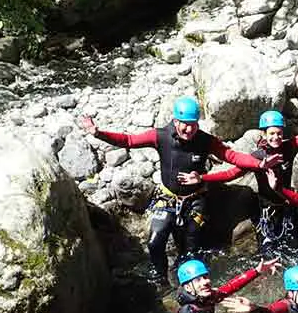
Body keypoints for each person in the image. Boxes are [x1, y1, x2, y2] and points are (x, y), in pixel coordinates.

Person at [80, 97, 282, 284]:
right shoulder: (160, 136)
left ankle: (190, 280)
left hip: (196, 198)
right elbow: (129, 141)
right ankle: (161, 279)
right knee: (154, 241)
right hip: (168, 197)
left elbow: (231, 156)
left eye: (194, 124)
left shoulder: (205, 140)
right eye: (185, 124)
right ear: (175, 121)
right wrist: (98, 133)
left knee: (192, 246)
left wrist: (260, 163)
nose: (189, 129)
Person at [206, 70, 298, 254]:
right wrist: (203, 178)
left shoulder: (289, 146)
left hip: (288, 202)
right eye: (272, 133)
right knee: (269, 250)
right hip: (267, 207)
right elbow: (232, 173)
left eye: (279, 133)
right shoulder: (257, 156)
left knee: (295, 245)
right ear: (264, 134)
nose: (276, 137)